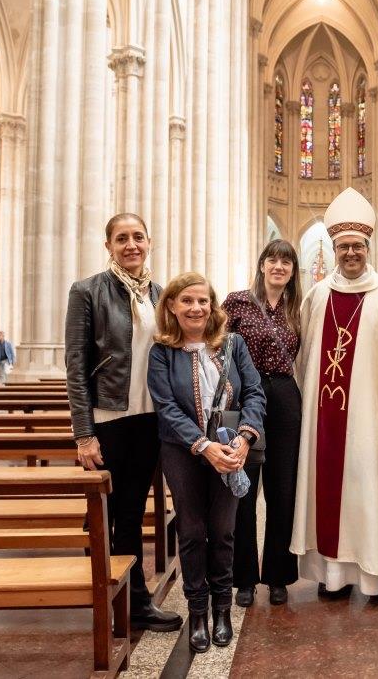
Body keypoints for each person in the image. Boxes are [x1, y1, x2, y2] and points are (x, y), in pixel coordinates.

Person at [290, 187, 378, 599]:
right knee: (327, 494)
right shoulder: (317, 295)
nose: (351, 253)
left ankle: (374, 574)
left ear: (368, 248)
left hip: (369, 419)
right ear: (334, 250)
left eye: (357, 246)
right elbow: (303, 358)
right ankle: (332, 577)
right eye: (343, 247)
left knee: (367, 492)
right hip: (324, 420)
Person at [64, 212, 182, 633]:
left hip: (148, 419)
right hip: (109, 419)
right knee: (108, 515)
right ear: (109, 246)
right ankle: (118, 598)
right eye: (121, 238)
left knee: (130, 513)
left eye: (138, 237)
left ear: (149, 242)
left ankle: (132, 602)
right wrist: (84, 434)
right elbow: (76, 365)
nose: (131, 245)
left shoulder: (159, 295)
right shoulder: (87, 291)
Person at [148, 272, 266, 652]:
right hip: (181, 453)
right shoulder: (162, 351)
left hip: (230, 450)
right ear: (171, 306)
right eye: (187, 300)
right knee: (192, 531)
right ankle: (197, 611)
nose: (196, 308)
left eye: (203, 300)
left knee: (224, 530)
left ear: (212, 305)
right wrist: (202, 446)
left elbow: (254, 392)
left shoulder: (233, 343)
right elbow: (165, 406)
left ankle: (222, 610)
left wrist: (245, 438)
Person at [223, 240, 303, 608]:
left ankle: (278, 575)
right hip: (246, 396)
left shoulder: (298, 307)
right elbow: (217, 345)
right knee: (243, 487)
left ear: (293, 270)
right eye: (273, 259)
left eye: (286, 261)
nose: (279, 266)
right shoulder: (237, 301)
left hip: (285, 395)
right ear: (262, 264)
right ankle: (243, 577)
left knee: (282, 489)